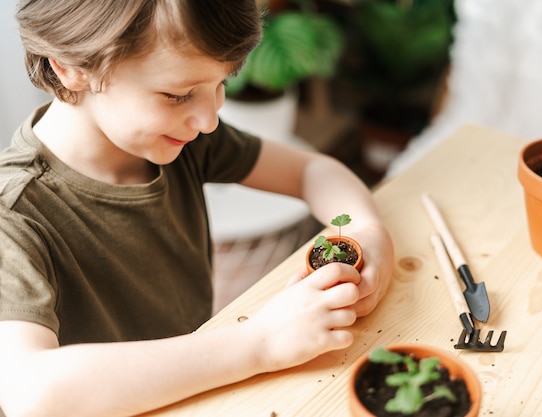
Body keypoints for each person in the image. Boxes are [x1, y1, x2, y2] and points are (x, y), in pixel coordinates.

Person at [0, 1, 394, 416]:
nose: (208, 119)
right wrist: (260, 342)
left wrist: (368, 230)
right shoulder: (15, 214)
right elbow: (30, 392)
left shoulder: (181, 139)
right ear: (71, 67)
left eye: (221, 84)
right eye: (178, 95)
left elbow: (311, 170)